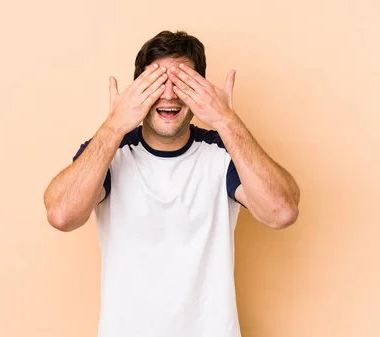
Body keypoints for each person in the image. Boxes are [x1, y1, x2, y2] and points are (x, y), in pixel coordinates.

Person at [42, 30, 300, 337]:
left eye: (183, 84)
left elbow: (282, 211)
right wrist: (115, 124)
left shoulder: (223, 153)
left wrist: (226, 120)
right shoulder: (110, 152)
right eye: (156, 83)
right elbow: (62, 215)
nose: (169, 95)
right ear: (138, 90)